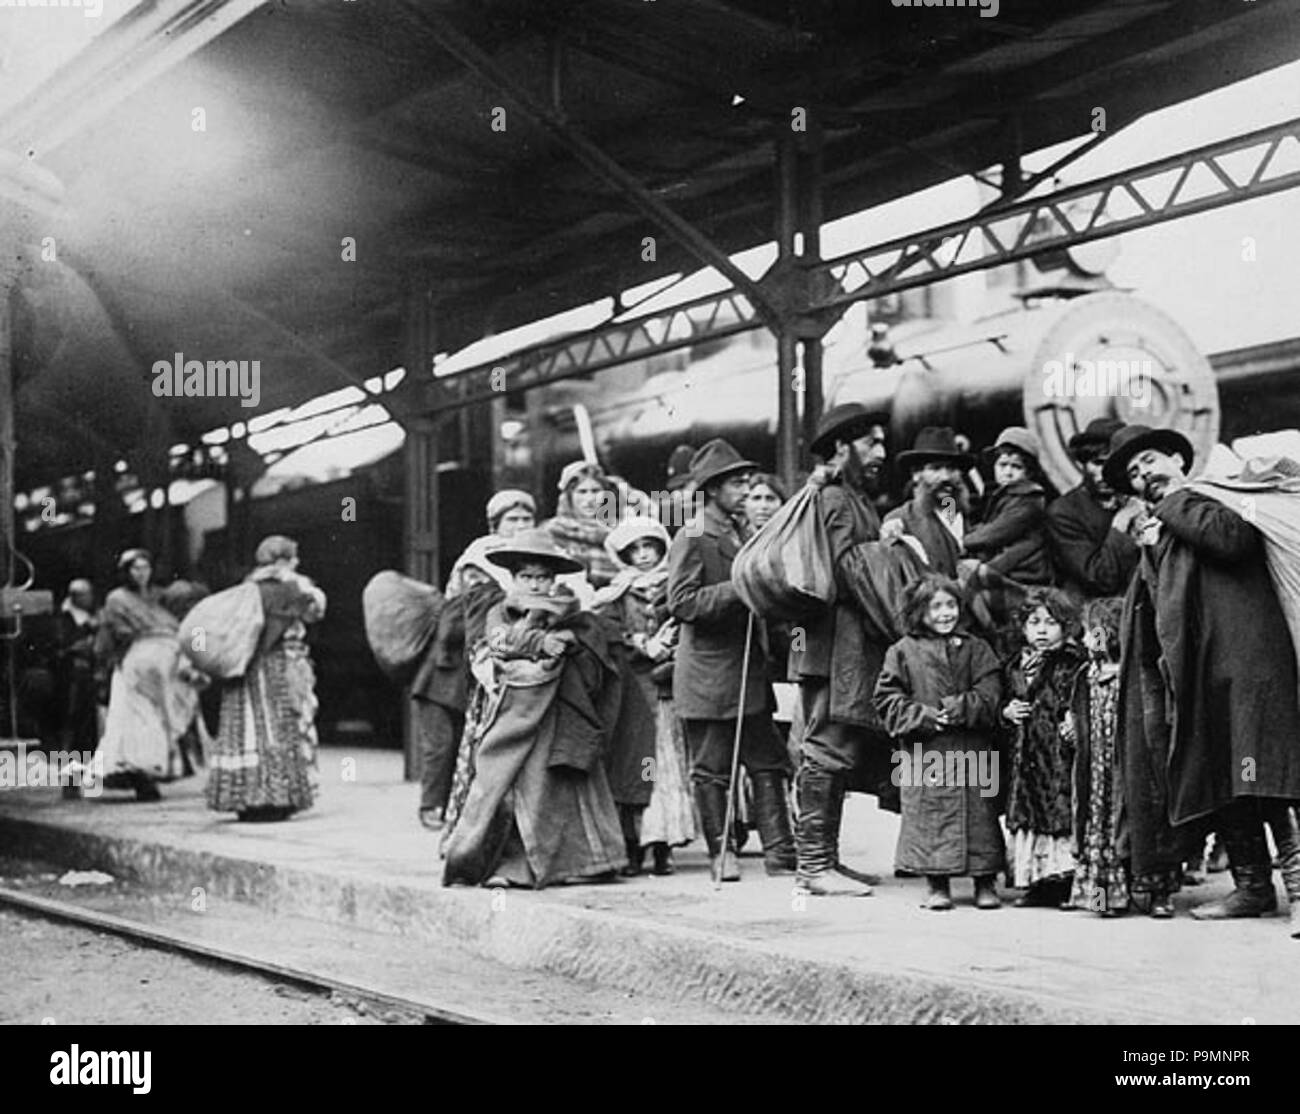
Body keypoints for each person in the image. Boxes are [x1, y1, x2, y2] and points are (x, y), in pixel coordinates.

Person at [1105, 425, 1300, 929]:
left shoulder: (1213, 498)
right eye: (1132, 473)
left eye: (1148, 461)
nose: (1142, 474)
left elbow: (1231, 542)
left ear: (1176, 458)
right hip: (1203, 671)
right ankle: (1252, 887)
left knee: (1270, 775)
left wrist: (1171, 502)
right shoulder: (1164, 522)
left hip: (1249, 662)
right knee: (1229, 778)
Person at [442, 529, 630, 888]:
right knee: (509, 786)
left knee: (562, 786)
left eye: (542, 577)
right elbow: (498, 644)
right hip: (514, 714)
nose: (534, 584)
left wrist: (571, 641)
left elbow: (590, 638)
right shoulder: (499, 611)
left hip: (562, 713)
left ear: (553, 579)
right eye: (526, 576)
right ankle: (510, 866)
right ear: (513, 578)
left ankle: (585, 864)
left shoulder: (571, 609)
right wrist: (541, 639)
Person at [667, 439, 795, 881]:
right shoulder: (694, 534)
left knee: (768, 760)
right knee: (712, 769)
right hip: (710, 675)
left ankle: (781, 853)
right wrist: (741, 589)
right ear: (713, 490)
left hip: (749, 671)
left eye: (747, 481)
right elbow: (681, 603)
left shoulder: (745, 533)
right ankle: (721, 854)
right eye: (737, 483)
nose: (746, 489)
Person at [789, 403, 891, 897]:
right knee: (827, 746)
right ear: (840, 447)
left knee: (841, 748)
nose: (881, 452)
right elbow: (850, 569)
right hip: (832, 648)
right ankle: (812, 866)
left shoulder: (852, 497)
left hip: (842, 647)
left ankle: (826, 861)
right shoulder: (834, 498)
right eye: (871, 442)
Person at [873, 575, 1005, 910]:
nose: (945, 613)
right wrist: (926, 717)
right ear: (919, 611)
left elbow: (991, 694)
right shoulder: (902, 652)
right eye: (936, 607)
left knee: (980, 815)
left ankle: (985, 881)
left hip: (973, 749)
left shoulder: (978, 649)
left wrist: (957, 709)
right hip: (926, 751)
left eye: (951, 605)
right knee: (929, 817)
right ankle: (937, 883)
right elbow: (887, 701)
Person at [417, 490, 534, 831]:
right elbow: (478, 623)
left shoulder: (534, 554)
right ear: (495, 524)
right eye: (512, 519)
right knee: (454, 742)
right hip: (463, 664)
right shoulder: (480, 561)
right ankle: (446, 811)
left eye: (526, 518)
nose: (521, 525)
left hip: (499, 658)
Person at [595, 517, 694, 876]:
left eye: (649, 547)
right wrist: (638, 643)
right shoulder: (615, 595)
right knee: (636, 768)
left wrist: (669, 648)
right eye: (634, 549)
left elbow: (689, 628)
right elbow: (606, 632)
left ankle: (662, 846)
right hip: (633, 694)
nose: (643, 555)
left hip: (665, 690)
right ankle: (633, 845)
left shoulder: (674, 588)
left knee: (663, 768)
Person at [206, 535, 326, 822]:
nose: (297, 562)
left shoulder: (248, 588)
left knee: (245, 731)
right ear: (283, 561)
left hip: (245, 668)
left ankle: (245, 797)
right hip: (279, 666)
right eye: (293, 557)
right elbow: (315, 610)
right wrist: (305, 585)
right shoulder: (289, 588)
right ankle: (275, 796)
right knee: (281, 728)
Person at [94, 549, 204, 801]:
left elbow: (189, 621)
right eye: (135, 568)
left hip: (166, 660)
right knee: (136, 719)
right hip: (134, 662)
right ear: (125, 571)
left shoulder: (159, 596)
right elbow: (114, 635)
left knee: (163, 716)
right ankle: (140, 775)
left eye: (145, 567)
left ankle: (157, 769)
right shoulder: (116, 599)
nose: (141, 573)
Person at [1001, 587, 1086, 908]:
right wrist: (1006, 712)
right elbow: (1000, 701)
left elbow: (1084, 700)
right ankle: (1035, 884)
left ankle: (1065, 884)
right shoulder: (1013, 665)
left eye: (1050, 623)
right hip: (1026, 759)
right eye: (1034, 622)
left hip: (1059, 756)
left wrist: (1076, 721)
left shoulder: (1073, 662)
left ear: (1065, 627)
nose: (1041, 630)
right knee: (1030, 818)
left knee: (1060, 818)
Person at [1068, 597, 1129, 916]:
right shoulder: (1087, 673)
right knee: (1097, 833)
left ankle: (1127, 897)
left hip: (1117, 768)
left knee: (1117, 830)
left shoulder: (1127, 676)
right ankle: (1100, 901)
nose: (1084, 640)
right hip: (1094, 770)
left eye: (1091, 633)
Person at [1045, 418, 1141, 600]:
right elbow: (1100, 578)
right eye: (1098, 463)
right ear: (1083, 464)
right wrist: (1121, 522)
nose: (1106, 473)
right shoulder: (1063, 512)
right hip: (1093, 615)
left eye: (1115, 465)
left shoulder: (1137, 501)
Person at [963, 427, 1053, 585]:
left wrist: (963, 540)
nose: (1008, 472)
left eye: (1016, 467)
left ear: (1029, 472)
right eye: (1002, 465)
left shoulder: (1029, 499)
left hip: (1022, 576)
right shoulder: (996, 494)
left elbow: (995, 533)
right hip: (1003, 570)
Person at [883, 427, 973, 577]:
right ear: (916, 474)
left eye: (951, 468)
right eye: (935, 468)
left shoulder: (970, 515)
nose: (945, 477)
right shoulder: (900, 521)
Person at [546, 462, 624, 590]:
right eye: (582, 492)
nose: (589, 498)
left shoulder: (620, 532)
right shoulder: (554, 532)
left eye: (595, 491)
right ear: (568, 496)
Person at [55, 578, 99, 798]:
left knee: (86, 732)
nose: (89, 599)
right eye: (85, 595)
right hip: (72, 682)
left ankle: (83, 779)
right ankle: (70, 782)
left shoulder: (92, 618)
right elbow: (62, 648)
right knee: (74, 733)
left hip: (86, 681)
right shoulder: (65, 620)